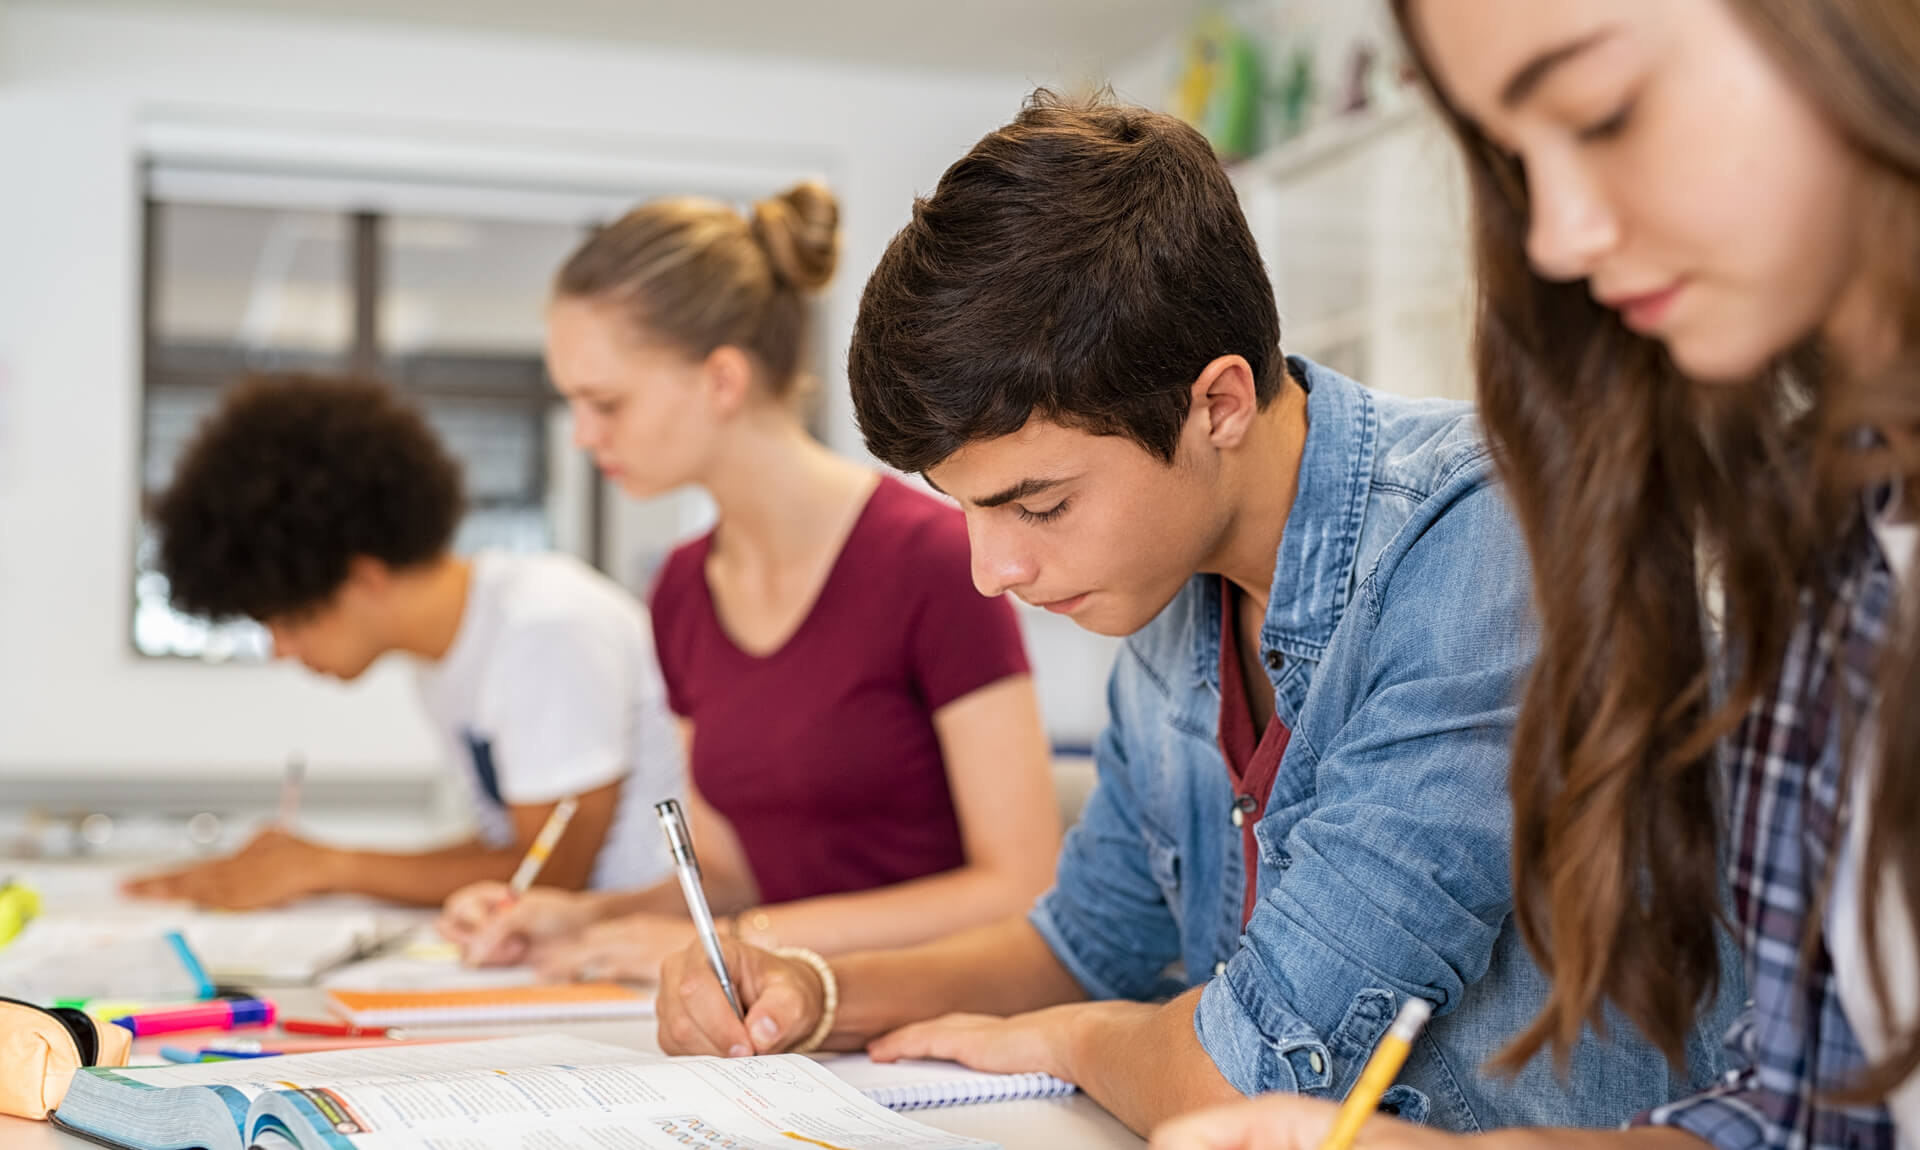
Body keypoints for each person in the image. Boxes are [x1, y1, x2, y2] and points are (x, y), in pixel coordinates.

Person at [649, 93, 1735, 1137]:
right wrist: (815, 988)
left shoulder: (1483, 540)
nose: (992, 568)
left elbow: (1251, 1073)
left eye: (1038, 503)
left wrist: (1079, 1042)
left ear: (1216, 403)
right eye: (969, 509)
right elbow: (1088, 943)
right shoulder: (1174, 588)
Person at [1150, 1, 1920, 1148]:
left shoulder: (1460, 535)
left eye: (1603, 113)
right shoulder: (1829, 559)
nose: (1555, 236)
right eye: (1513, 156)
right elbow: (1808, 1115)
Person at [437, 181, 1061, 980]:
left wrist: (743, 940)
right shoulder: (683, 592)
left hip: (939, 1021)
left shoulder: (936, 559)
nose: (586, 435)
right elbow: (730, 877)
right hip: (783, 1025)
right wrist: (581, 918)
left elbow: (1019, 886)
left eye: (606, 403)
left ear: (721, 380)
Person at [125, 373, 683, 910]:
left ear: (363, 578)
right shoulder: (444, 661)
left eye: (289, 623)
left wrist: (329, 866)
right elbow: (512, 848)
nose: (281, 651)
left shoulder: (545, 626)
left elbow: (551, 873)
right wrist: (314, 864)